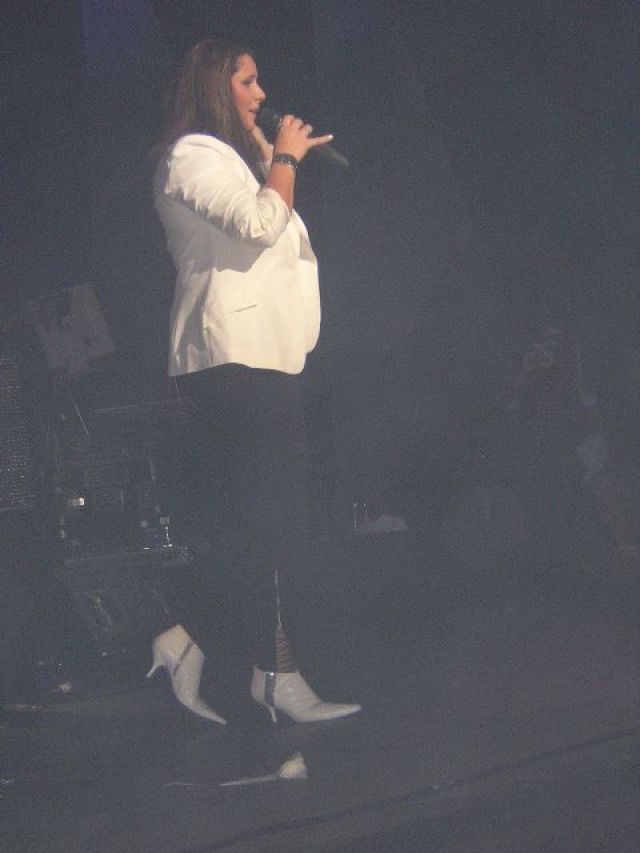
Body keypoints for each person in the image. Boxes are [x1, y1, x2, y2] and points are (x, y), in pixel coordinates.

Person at [149, 38, 361, 724]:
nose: (262, 94)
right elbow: (259, 224)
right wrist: (285, 160)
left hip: (267, 358)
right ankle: (192, 636)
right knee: (269, 527)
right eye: (247, 81)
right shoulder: (192, 154)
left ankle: (274, 672)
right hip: (230, 357)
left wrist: (273, 156)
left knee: (273, 526)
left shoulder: (240, 162)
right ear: (216, 87)